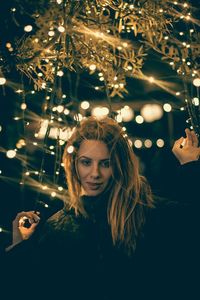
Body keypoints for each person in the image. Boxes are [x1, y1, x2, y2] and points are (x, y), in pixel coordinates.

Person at [1, 117, 200, 300]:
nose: (95, 173)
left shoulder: (147, 213)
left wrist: (190, 165)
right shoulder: (58, 227)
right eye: (86, 162)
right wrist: (21, 245)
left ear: (119, 165)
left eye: (106, 163)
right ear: (74, 164)